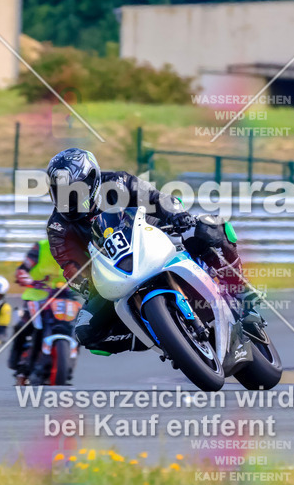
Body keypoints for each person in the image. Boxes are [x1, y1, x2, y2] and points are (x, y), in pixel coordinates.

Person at [43, 148, 263, 356]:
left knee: (210, 226)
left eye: (73, 193)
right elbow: (69, 264)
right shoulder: (58, 227)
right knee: (85, 332)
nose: (67, 201)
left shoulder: (117, 182)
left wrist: (176, 215)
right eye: (59, 193)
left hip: (155, 237)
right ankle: (158, 337)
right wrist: (81, 281)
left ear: (91, 181)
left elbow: (157, 198)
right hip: (115, 275)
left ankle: (243, 297)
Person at [9, 240, 64, 384]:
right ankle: (19, 362)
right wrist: (23, 276)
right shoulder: (41, 247)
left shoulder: (79, 247)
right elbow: (23, 268)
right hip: (37, 297)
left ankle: (66, 361)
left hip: (64, 298)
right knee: (24, 325)